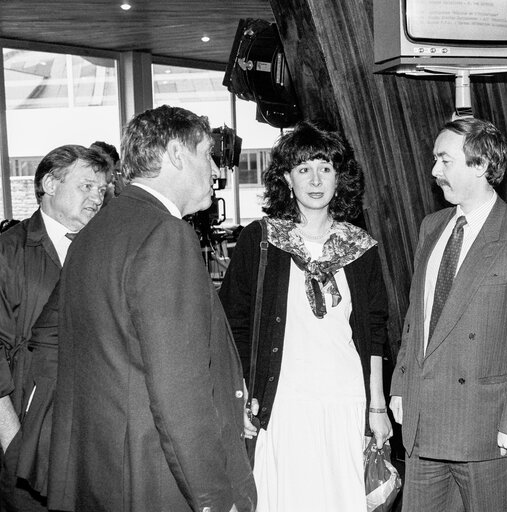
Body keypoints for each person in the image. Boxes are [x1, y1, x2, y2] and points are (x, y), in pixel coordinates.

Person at [47, 105, 257, 512]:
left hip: (105, 473)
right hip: (158, 481)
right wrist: (215, 498)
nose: (215, 170)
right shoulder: (165, 235)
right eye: (207, 153)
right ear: (177, 153)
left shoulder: (96, 231)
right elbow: (179, 391)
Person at [219, 121, 392, 512]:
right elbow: (235, 324)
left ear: (338, 177)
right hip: (285, 402)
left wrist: (376, 406)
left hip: (346, 400)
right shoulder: (261, 240)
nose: (316, 180)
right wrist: (245, 396)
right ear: (287, 178)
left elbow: (375, 331)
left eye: (325, 168)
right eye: (303, 169)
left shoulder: (360, 247)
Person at [389, 117, 507, 512]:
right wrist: (400, 384)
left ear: (480, 165)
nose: (434, 172)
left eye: (444, 161)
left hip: (486, 430)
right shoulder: (430, 227)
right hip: (422, 420)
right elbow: (417, 318)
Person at [0, 145, 109, 511]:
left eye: (102, 189)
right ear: (49, 183)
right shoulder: (8, 255)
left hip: (93, 445)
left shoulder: (106, 251)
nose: (97, 197)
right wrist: (15, 445)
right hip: (27, 446)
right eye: (87, 186)